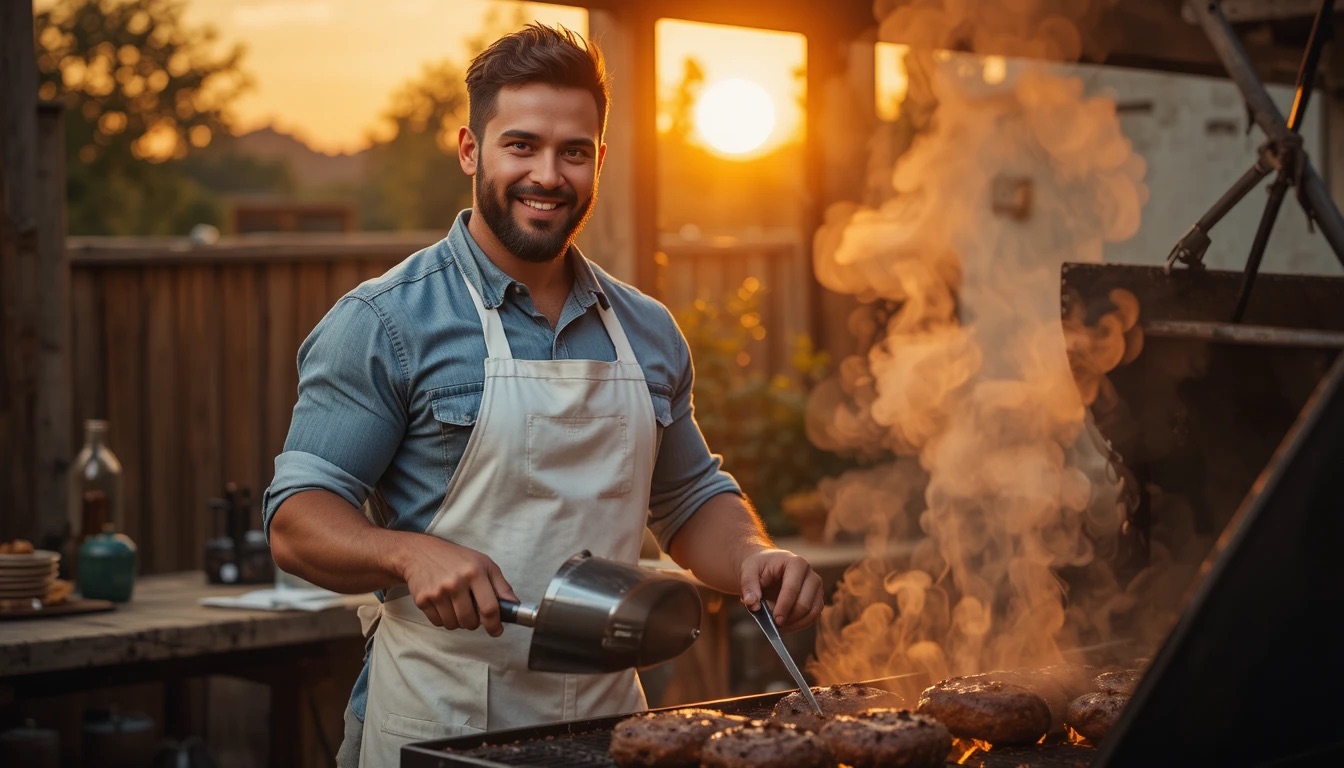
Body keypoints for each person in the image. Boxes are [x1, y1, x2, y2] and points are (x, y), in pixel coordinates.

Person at [262, 22, 825, 767]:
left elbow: (688, 499)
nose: (548, 175)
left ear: (600, 160)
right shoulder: (387, 322)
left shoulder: (646, 330)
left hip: (612, 725)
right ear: (471, 150)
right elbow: (297, 520)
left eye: (574, 152)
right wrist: (408, 554)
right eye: (521, 145)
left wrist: (753, 555)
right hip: (440, 722)